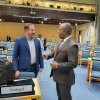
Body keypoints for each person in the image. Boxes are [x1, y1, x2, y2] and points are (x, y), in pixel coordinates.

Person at [43, 22, 78, 100]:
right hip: (58, 75)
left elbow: (73, 64)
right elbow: (57, 52)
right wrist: (49, 56)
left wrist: (57, 65)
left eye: (59, 29)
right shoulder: (60, 41)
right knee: (60, 97)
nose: (58, 31)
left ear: (65, 32)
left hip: (65, 78)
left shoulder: (72, 45)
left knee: (65, 98)